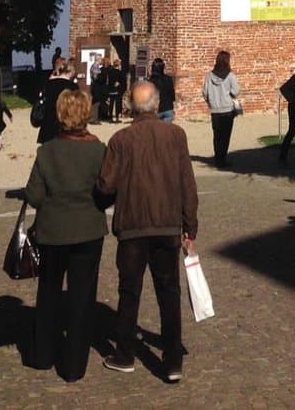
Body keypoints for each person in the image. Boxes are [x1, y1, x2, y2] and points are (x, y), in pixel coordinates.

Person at [96, 79, 198, 382]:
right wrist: (189, 224)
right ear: (156, 105)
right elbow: (186, 183)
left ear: (130, 106)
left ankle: (125, 353)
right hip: (167, 225)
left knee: (129, 292)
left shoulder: (120, 140)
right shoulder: (175, 135)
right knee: (169, 292)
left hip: (132, 226)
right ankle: (173, 361)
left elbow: (106, 185)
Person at [23, 89, 107, 382]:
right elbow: (107, 191)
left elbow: (33, 195)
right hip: (88, 231)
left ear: (59, 115)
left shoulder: (47, 151)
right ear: (86, 114)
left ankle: (42, 355)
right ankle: (73, 366)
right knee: (82, 298)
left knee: (48, 293)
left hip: (52, 231)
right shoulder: (99, 150)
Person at [201, 50, 241, 167]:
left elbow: (205, 93)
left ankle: (218, 158)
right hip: (227, 110)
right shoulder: (230, 76)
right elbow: (236, 91)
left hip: (215, 110)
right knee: (225, 136)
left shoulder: (209, 76)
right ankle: (222, 159)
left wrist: (210, 102)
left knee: (217, 136)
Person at [37, 58, 75, 145]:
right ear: (70, 71)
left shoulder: (48, 84)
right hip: (65, 125)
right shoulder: (72, 87)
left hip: (48, 124)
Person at [149, 57, 176, 122]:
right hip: (168, 108)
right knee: (166, 131)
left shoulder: (150, 82)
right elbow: (172, 94)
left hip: (156, 110)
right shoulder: (169, 79)